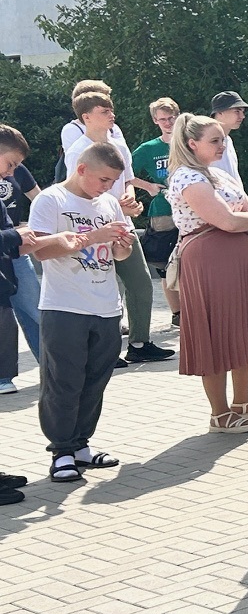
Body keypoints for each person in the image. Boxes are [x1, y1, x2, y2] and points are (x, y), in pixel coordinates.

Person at [29, 142, 134, 484]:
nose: (108, 187)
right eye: (103, 180)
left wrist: (121, 246)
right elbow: (41, 251)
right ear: (82, 168)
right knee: (63, 381)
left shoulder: (109, 203)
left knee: (95, 381)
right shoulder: (52, 199)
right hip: (64, 306)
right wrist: (94, 236)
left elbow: (118, 256)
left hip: (106, 306)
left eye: (113, 182)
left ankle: (80, 445)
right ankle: (61, 450)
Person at [165, 113, 248, 433]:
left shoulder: (217, 175)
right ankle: (219, 413)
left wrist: (243, 218)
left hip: (237, 258)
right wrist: (242, 218)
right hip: (209, 260)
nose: (222, 145)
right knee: (215, 333)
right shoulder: (187, 177)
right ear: (192, 144)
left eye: (222, 139)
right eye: (214, 140)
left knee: (245, 327)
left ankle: (242, 402)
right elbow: (229, 221)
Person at [62, 84, 172, 366]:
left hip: (123, 226)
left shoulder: (119, 144)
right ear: (86, 117)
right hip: (93, 229)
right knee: (103, 288)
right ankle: (103, 352)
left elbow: (127, 181)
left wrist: (130, 200)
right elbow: (76, 193)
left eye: (111, 109)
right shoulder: (78, 151)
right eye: (104, 111)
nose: (111, 114)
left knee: (141, 283)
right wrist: (112, 209)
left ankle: (139, 343)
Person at [130, 98, 182, 325]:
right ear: (155, 121)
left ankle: (195, 309)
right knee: (165, 263)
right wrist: (148, 186)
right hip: (163, 210)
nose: (168, 123)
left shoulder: (189, 141)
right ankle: (178, 313)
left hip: (192, 207)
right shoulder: (149, 149)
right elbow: (123, 172)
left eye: (171, 118)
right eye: (163, 119)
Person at [0, 126, 42, 396]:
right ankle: (3, 376)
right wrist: (15, 235)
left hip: (13, 252)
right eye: (10, 164)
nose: (11, 172)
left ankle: (53, 367)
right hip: (10, 244)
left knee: (35, 311)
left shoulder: (16, 171)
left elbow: (41, 199)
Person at [208, 91, 248, 181]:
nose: (242, 116)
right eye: (237, 111)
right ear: (220, 112)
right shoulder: (205, 141)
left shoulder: (228, 140)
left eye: (242, 112)